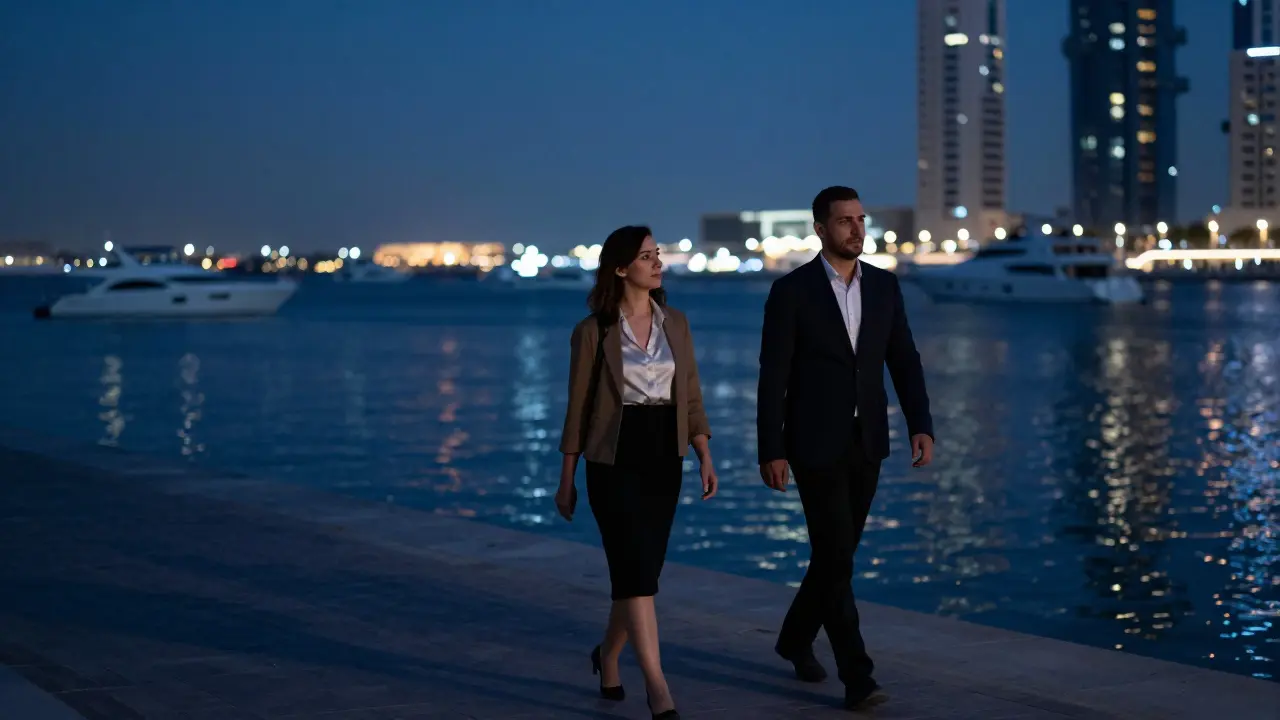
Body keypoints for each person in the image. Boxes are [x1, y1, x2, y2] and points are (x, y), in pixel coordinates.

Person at [756, 186, 934, 711]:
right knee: (836, 556)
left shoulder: (884, 286)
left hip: (868, 440)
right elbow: (773, 376)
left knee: (837, 555)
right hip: (812, 442)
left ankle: (794, 638)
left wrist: (921, 424)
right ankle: (858, 677)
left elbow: (904, 358)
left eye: (860, 219)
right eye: (844, 221)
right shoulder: (792, 291)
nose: (856, 229)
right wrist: (771, 448)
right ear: (820, 229)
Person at [555, 225, 717, 720]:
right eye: (646, 256)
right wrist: (566, 478)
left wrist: (704, 453)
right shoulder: (593, 331)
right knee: (636, 574)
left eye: (657, 254)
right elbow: (578, 407)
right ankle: (658, 687)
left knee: (641, 572)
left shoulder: (677, 323)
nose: (657, 263)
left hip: (665, 456)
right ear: (621, 268)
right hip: (613, 460)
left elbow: (691, 393)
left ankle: (608, 655)